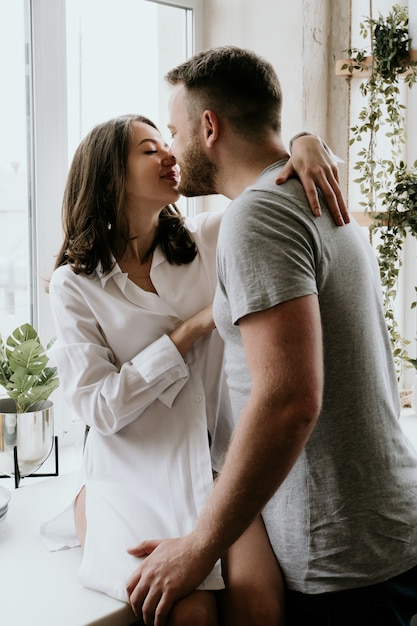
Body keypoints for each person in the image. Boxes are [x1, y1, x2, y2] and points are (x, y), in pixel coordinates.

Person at [125, 47, 417, 626]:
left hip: (341, 563)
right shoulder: (320, 198)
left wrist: (196, 549)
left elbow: (288, 401)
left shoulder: (257, 216)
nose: (174, 151)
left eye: (176, 131)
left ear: (210, 127)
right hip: (382, 538)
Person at [40, 112, 347, 625]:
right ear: (111, 175)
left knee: (260, 603)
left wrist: (307, 140)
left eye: (167, 143)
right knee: (191, 615)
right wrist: (191, 329)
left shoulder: (208, 238)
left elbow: (277, 182)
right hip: (130, 474)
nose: (169, 155)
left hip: (213, 465)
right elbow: (100, 406)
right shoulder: (74, 285)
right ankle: (87, 510)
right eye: (148, 149)